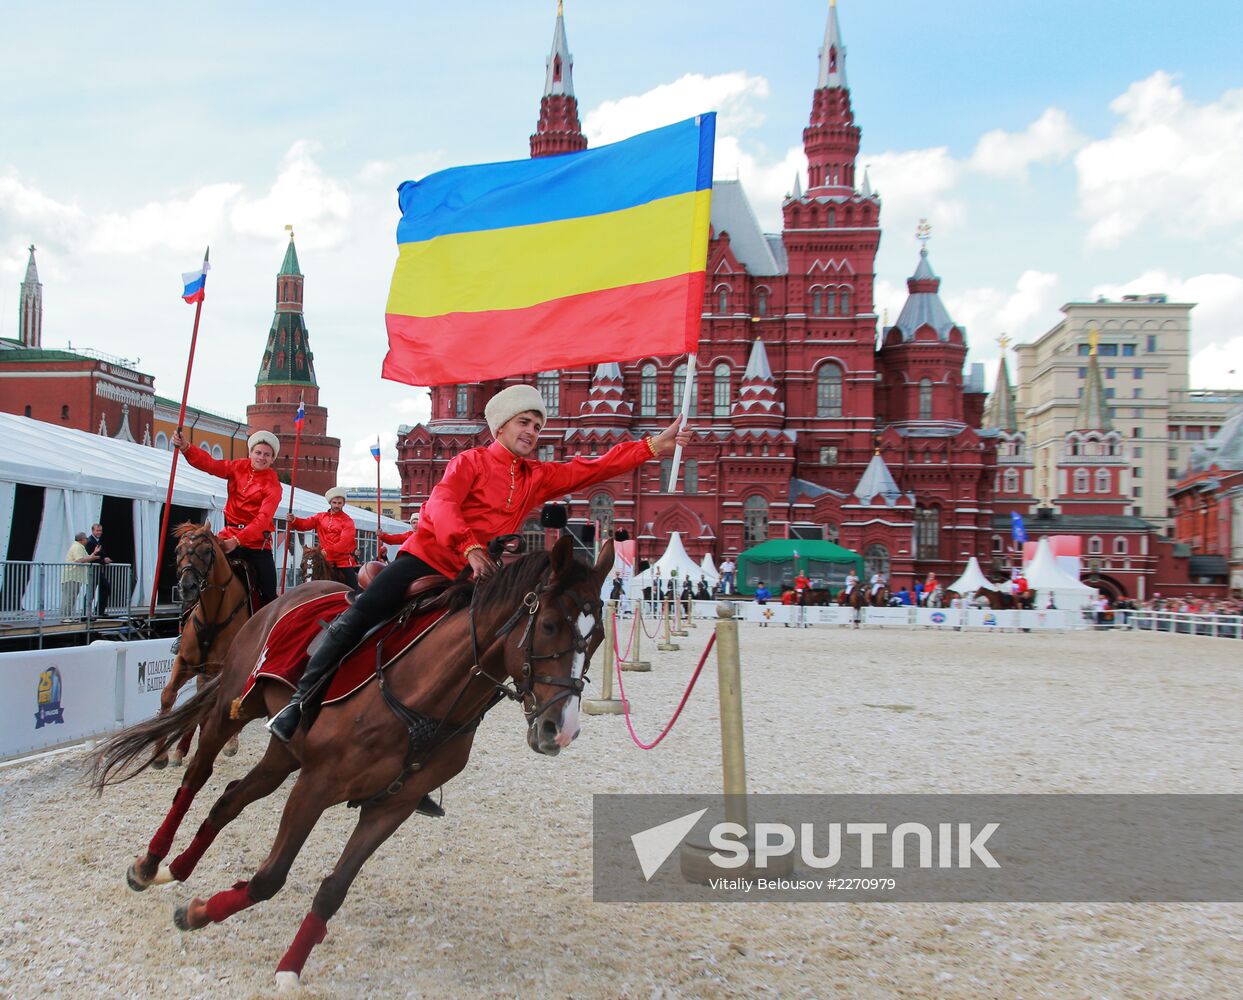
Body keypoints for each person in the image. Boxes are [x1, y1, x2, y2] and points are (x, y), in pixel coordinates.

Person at [267, 384, 690, 746]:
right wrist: (469, 546)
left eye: (537, 426)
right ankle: (298, 702)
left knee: (488, 654)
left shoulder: (536, 475)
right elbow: (442, 504)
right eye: (524, 423)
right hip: (427, 559)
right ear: (501, 426)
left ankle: (427, 747)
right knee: (361, 614)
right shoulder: (467, 462)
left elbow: (590, 468)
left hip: (476, 575)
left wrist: (653, 446)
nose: (532, 432)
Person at [172, 430, 283, 607]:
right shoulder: (237, 466)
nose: (261, 457)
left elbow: (262, 519)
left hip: (256, 544)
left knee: (269, 595)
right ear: (250, 453)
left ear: (272, 459)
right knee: (198, 565)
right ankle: (187, 620)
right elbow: (210, 464)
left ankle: (269, 630)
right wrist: (186, 448)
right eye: (258, 452)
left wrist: (238, 540)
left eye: (267, 455)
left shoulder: (273, 486)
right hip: (227, 534)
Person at [289, 487, 360, 589]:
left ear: (343, 504)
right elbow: (305, 524)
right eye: (334, 502)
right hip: (323, 559)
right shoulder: (320, 517)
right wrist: (294, 520)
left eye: (339, 503)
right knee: (308, 575)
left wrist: (326, 551)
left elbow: (344, 544)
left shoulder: (348, 521)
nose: (337, 505)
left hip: (342, 561)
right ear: (330, 502)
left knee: (353, 588)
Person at [83, 523, 112, 616]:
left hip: (97, 570)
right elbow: (90, 556)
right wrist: (104, 560)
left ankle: (98, 611)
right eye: (97, 531)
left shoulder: (97, 541)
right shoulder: (90, 541)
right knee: (91, 591)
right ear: (93, 531)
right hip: (93, 570)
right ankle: (87, 612)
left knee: (104, 587)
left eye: (100, 531)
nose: (99, 532)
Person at [62, 532, 92, 620]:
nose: (87, 539)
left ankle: (69, 616)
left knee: (72, 597)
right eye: (86, 538)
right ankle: (65, 617)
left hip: (76, 577)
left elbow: (87, 558)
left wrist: (94, 555)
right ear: (82, 540)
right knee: (69, 597)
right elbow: (79, 560)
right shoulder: (77, 547)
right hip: (72, 577)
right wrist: (92, 557)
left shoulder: (80, 547)